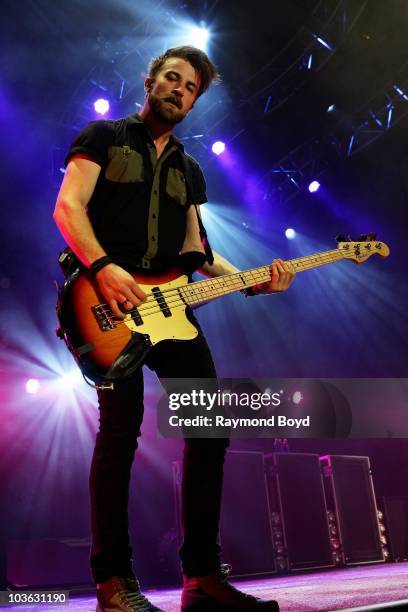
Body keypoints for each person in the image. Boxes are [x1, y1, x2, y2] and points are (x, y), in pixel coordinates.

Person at [53, 45, 294, 612]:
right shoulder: (104, 137)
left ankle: (202, 581)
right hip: (104, 302)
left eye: (190, 88)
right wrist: (104, 267)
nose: (180, 90)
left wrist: (253, 280)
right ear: (151, 81)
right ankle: (113, 584)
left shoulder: (190, 168)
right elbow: (68, 209)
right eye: (172, 79)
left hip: (171, 311)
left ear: (193, 102)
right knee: (120, 436)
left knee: (211, 429)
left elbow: (197, 252)